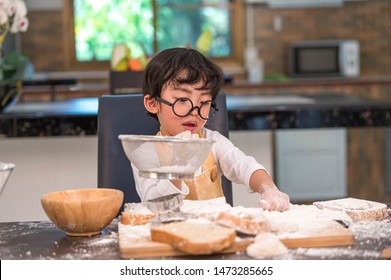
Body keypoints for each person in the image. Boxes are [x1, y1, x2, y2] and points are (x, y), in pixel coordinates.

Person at [132, 47, 290, 212]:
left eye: (204, 103)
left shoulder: (212, 142)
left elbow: (244, 165)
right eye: (182, 100)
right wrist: (178, 168)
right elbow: (154, 205)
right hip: (168, 232)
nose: (194, 111)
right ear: (153, 103)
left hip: (215, 231)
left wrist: (269, 189)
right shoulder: (145, 153)